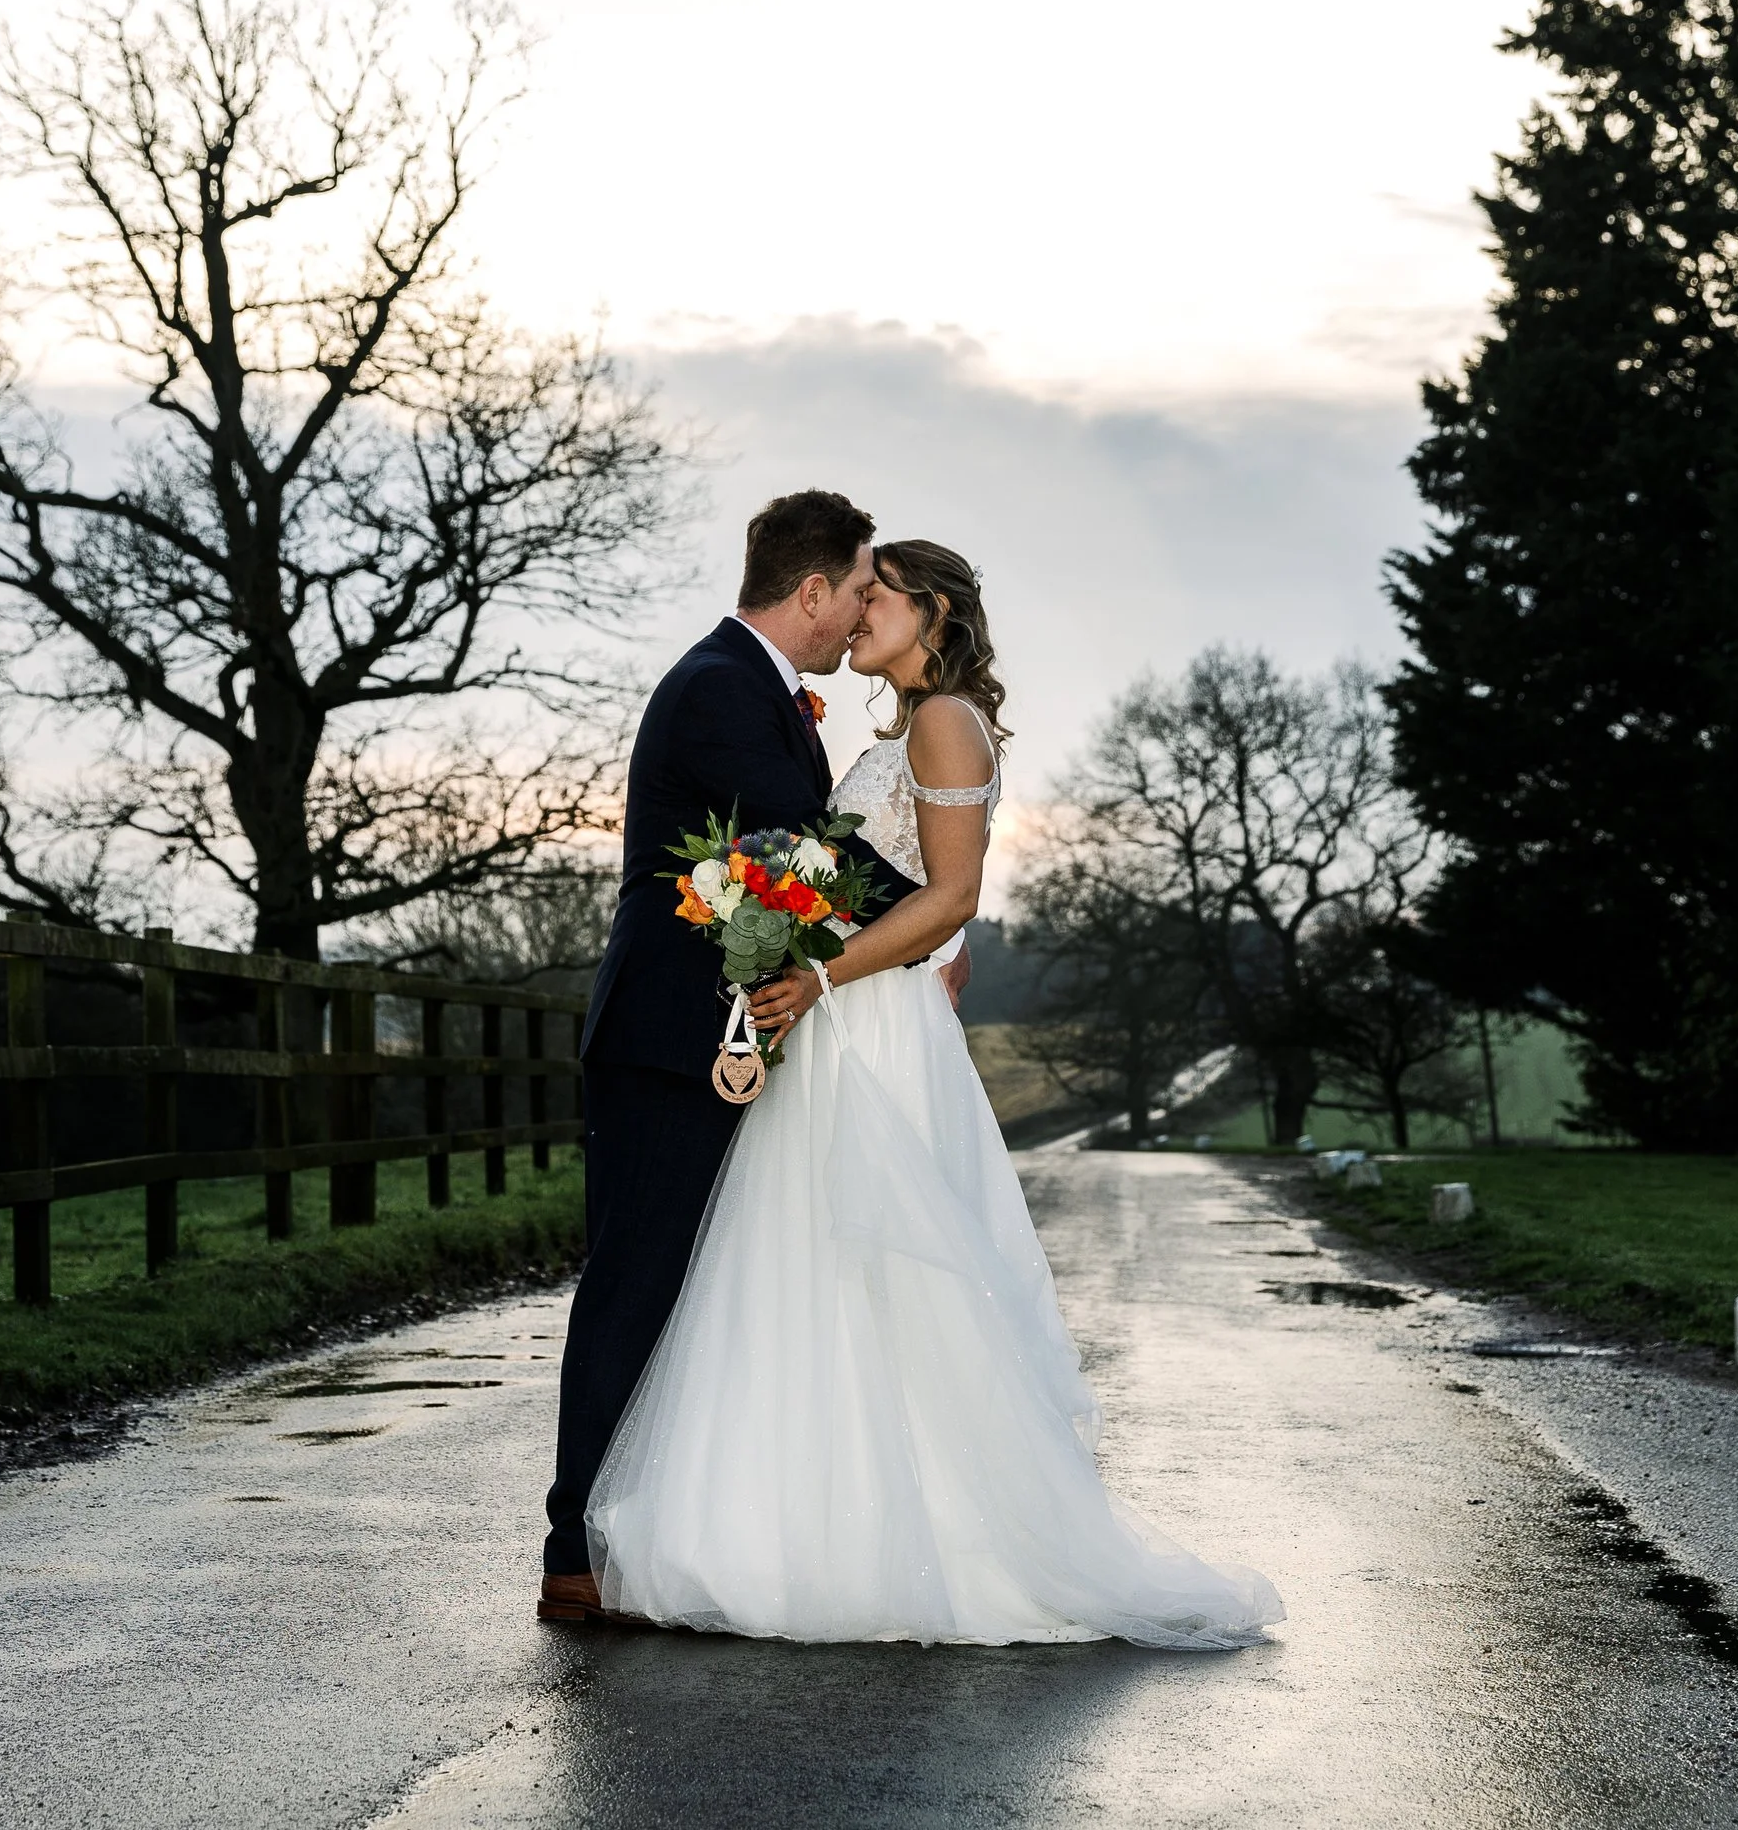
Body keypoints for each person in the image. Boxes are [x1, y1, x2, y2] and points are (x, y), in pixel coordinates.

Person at [580, 537, 1284, 1648]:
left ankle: (910, 1540)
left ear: (933, 610)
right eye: (855, 592)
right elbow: (893, 881)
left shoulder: (945, 717)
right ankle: (800, 1524)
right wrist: (800, 941)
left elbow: (950, 895)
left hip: (865, 1025)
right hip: (837, 1019)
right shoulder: (901, 729)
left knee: (880, 1272)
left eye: (879, 595)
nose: (859, 611)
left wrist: (817, 970)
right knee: (808, 1273)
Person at [538, 490, 965, 1619]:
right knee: (637, 1282)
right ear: (812, 590)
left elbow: (795, 862)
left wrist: (915, 930)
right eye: (857, 587)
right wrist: (930, 924)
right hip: (670, 1035)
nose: (861, 607)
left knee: (712, 1293)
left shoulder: (764, 693)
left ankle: (664, 1531)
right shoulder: (723, 687)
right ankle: (572, 1549)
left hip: (730, 1033)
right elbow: (809, 851)